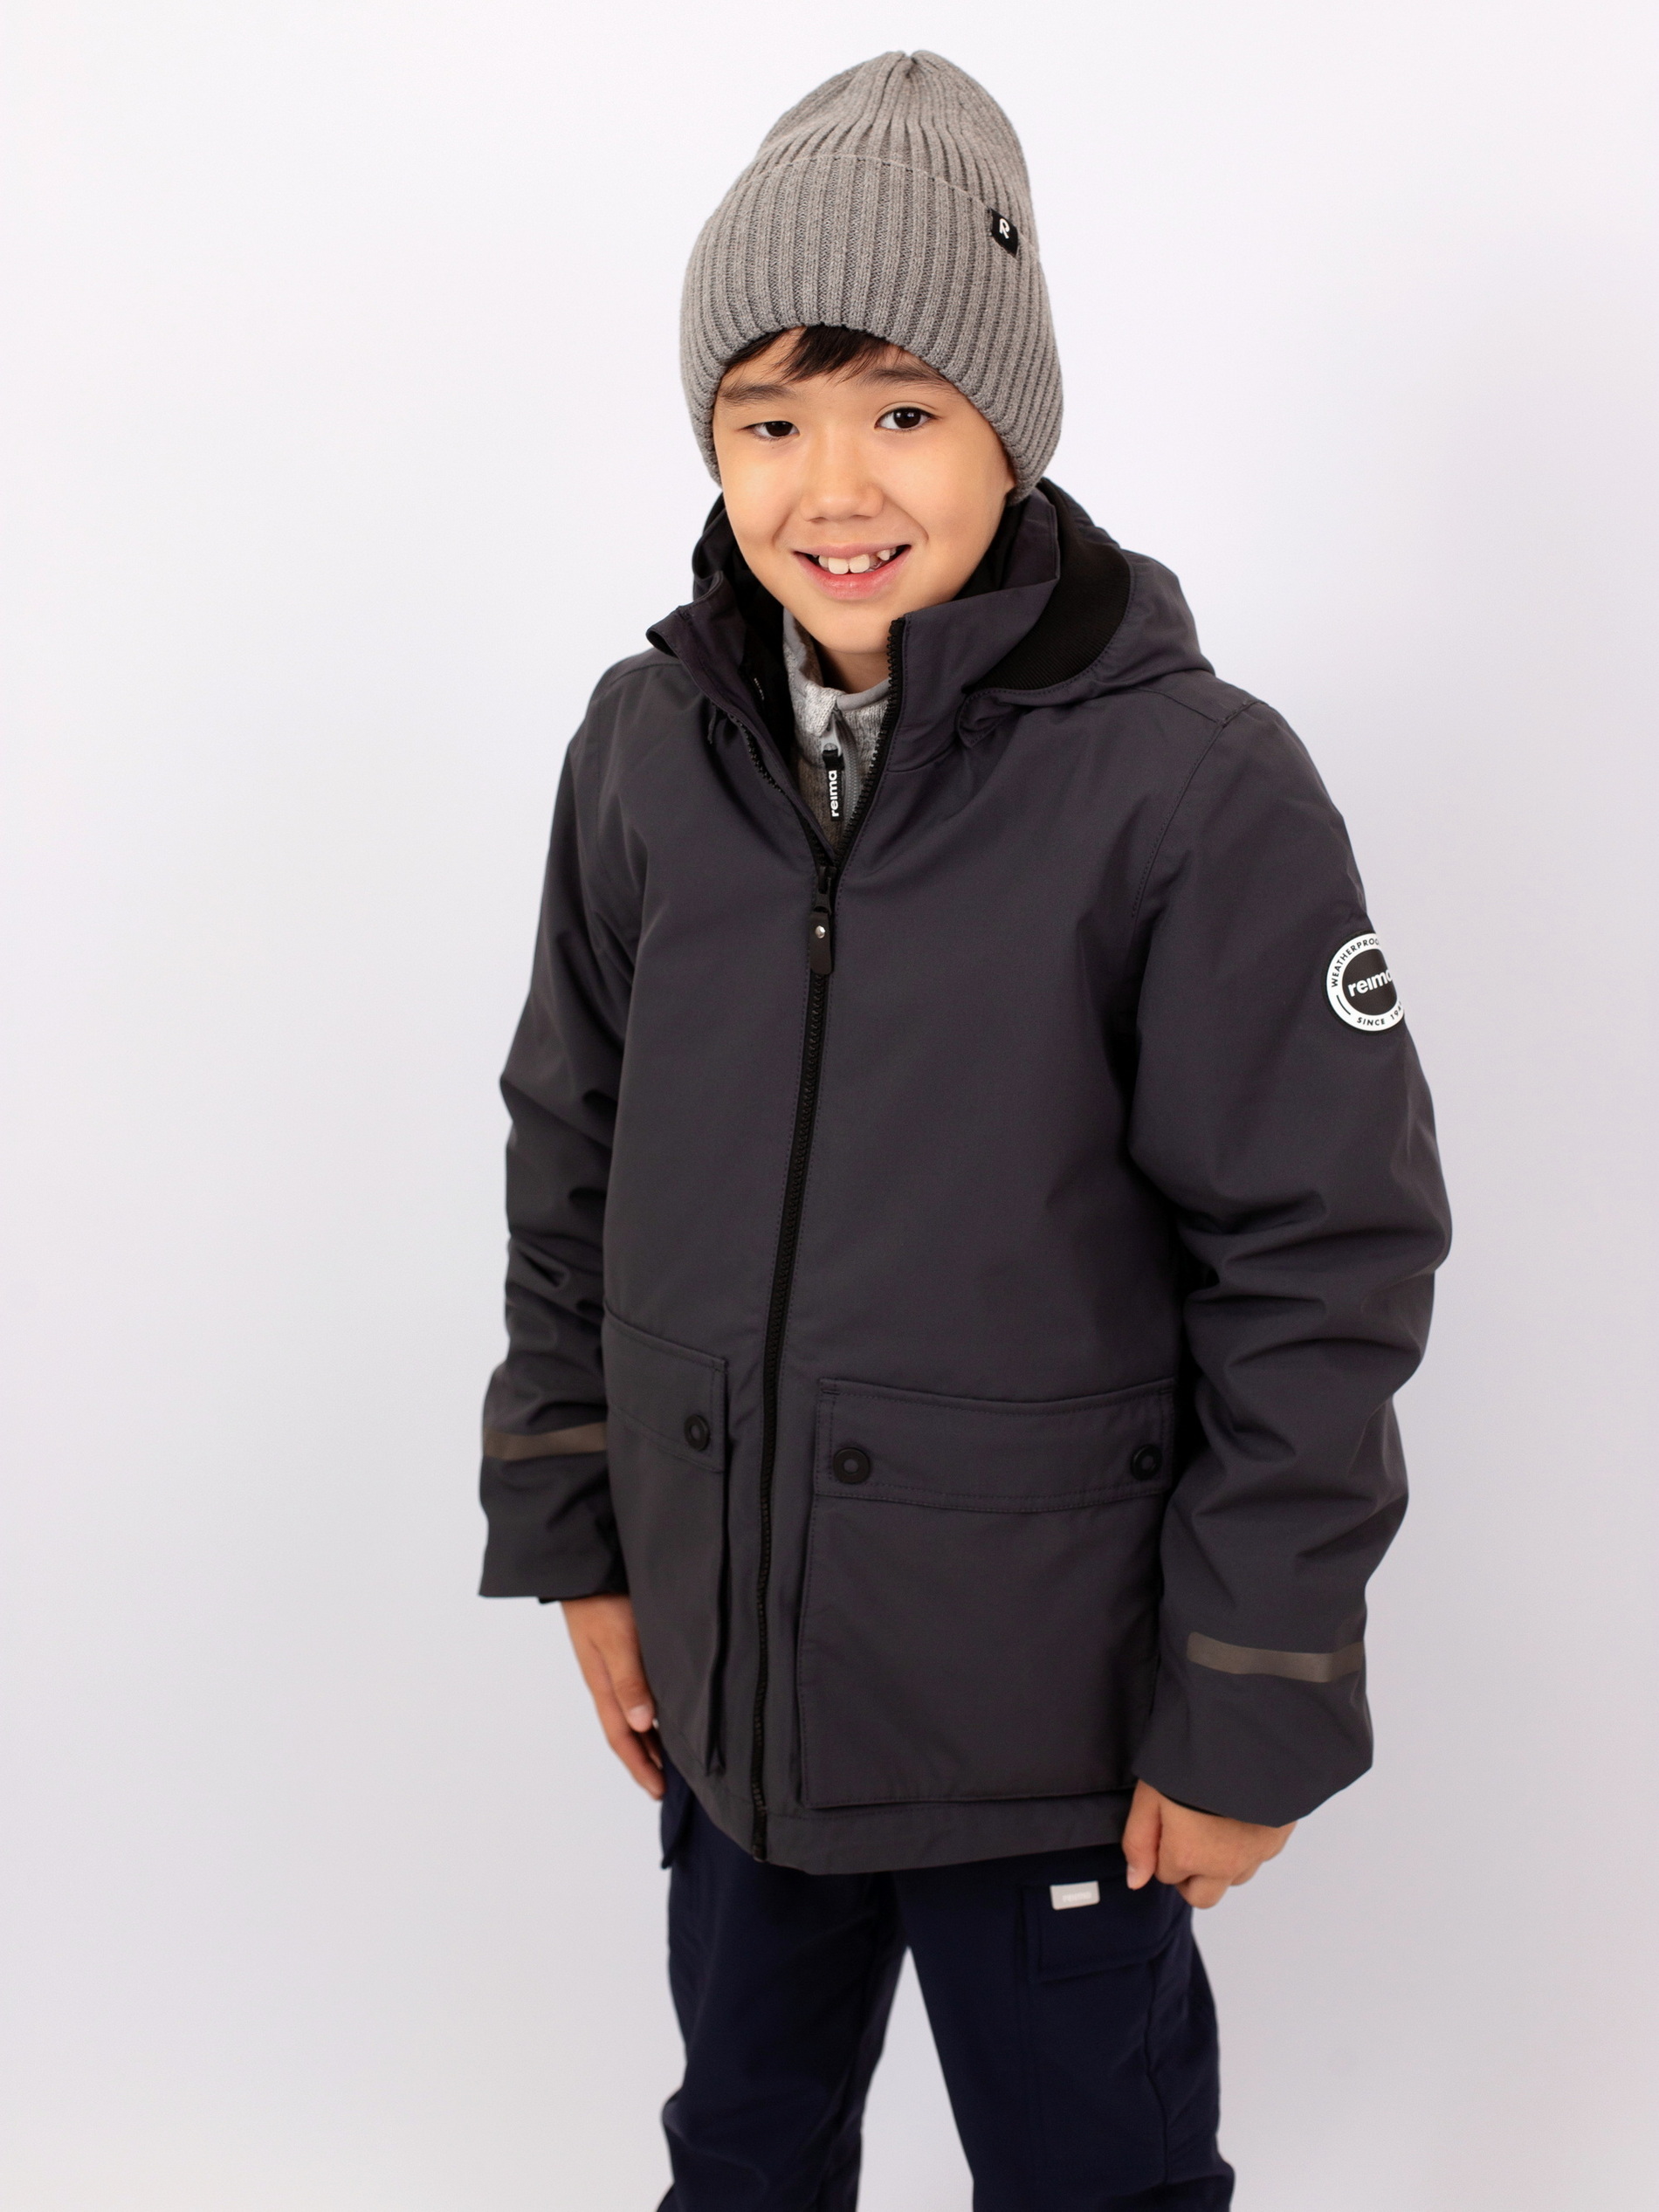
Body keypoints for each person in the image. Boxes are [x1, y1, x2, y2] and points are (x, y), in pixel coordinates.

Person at [478, 50, 1450, 2211]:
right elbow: (570, 1147)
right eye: (767, 419)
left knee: (1093, 2176)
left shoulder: (1189, 789)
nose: (832, 484)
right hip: (736, 1704)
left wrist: (1252, 1697)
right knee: (739, 2155)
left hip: (1050, 1739)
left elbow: (1319, 1260)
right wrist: (577, 1530)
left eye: (901, 410)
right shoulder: (645, 749)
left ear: (1012, 426)